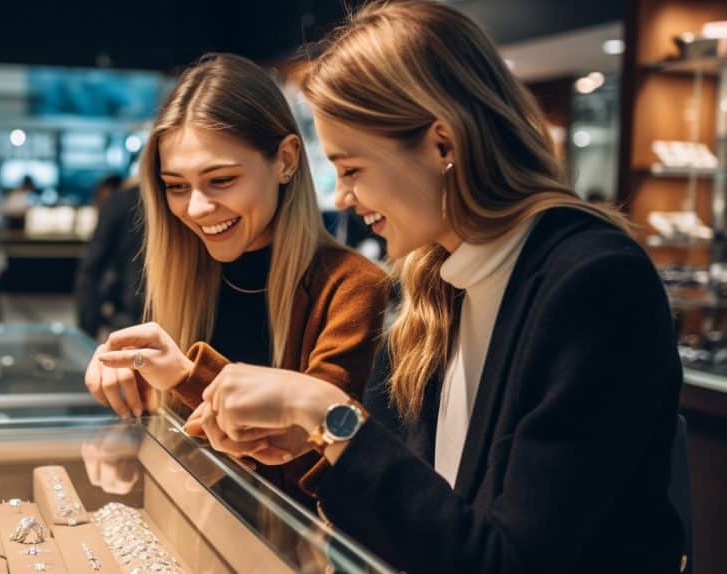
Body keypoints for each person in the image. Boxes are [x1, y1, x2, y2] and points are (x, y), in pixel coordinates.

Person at [190, 2, 684, 573]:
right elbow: (419, 510)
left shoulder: (594, 285)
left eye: (351, 169)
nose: (345, 198)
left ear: (443, 145)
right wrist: (313, 437)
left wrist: (329, 414)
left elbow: (511, 561)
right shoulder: (432, 279)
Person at [83, 54, 388, 504]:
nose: (197, 208)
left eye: (221, 180)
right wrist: (127, 379)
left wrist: (186, 375)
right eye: (177, 186)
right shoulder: (184, 276)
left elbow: (316, 456)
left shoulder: (352, 288)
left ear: (285, 160)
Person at [74, 182, 145, 339]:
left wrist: (88, 332)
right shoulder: (124, 201)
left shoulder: (120, 201)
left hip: (131, 309)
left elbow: (92, 268)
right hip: (137, 307)